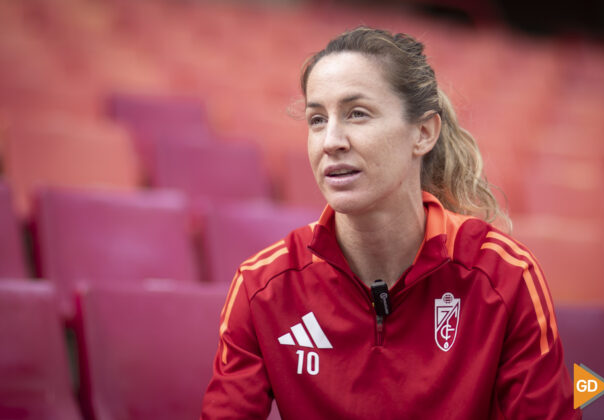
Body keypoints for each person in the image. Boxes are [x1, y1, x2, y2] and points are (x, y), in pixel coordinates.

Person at [200, 27, 579, 419]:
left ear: (423, 133)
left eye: (357, 114)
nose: (331, 141)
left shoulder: (504, 276)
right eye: (316, 119)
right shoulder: (263, 287)